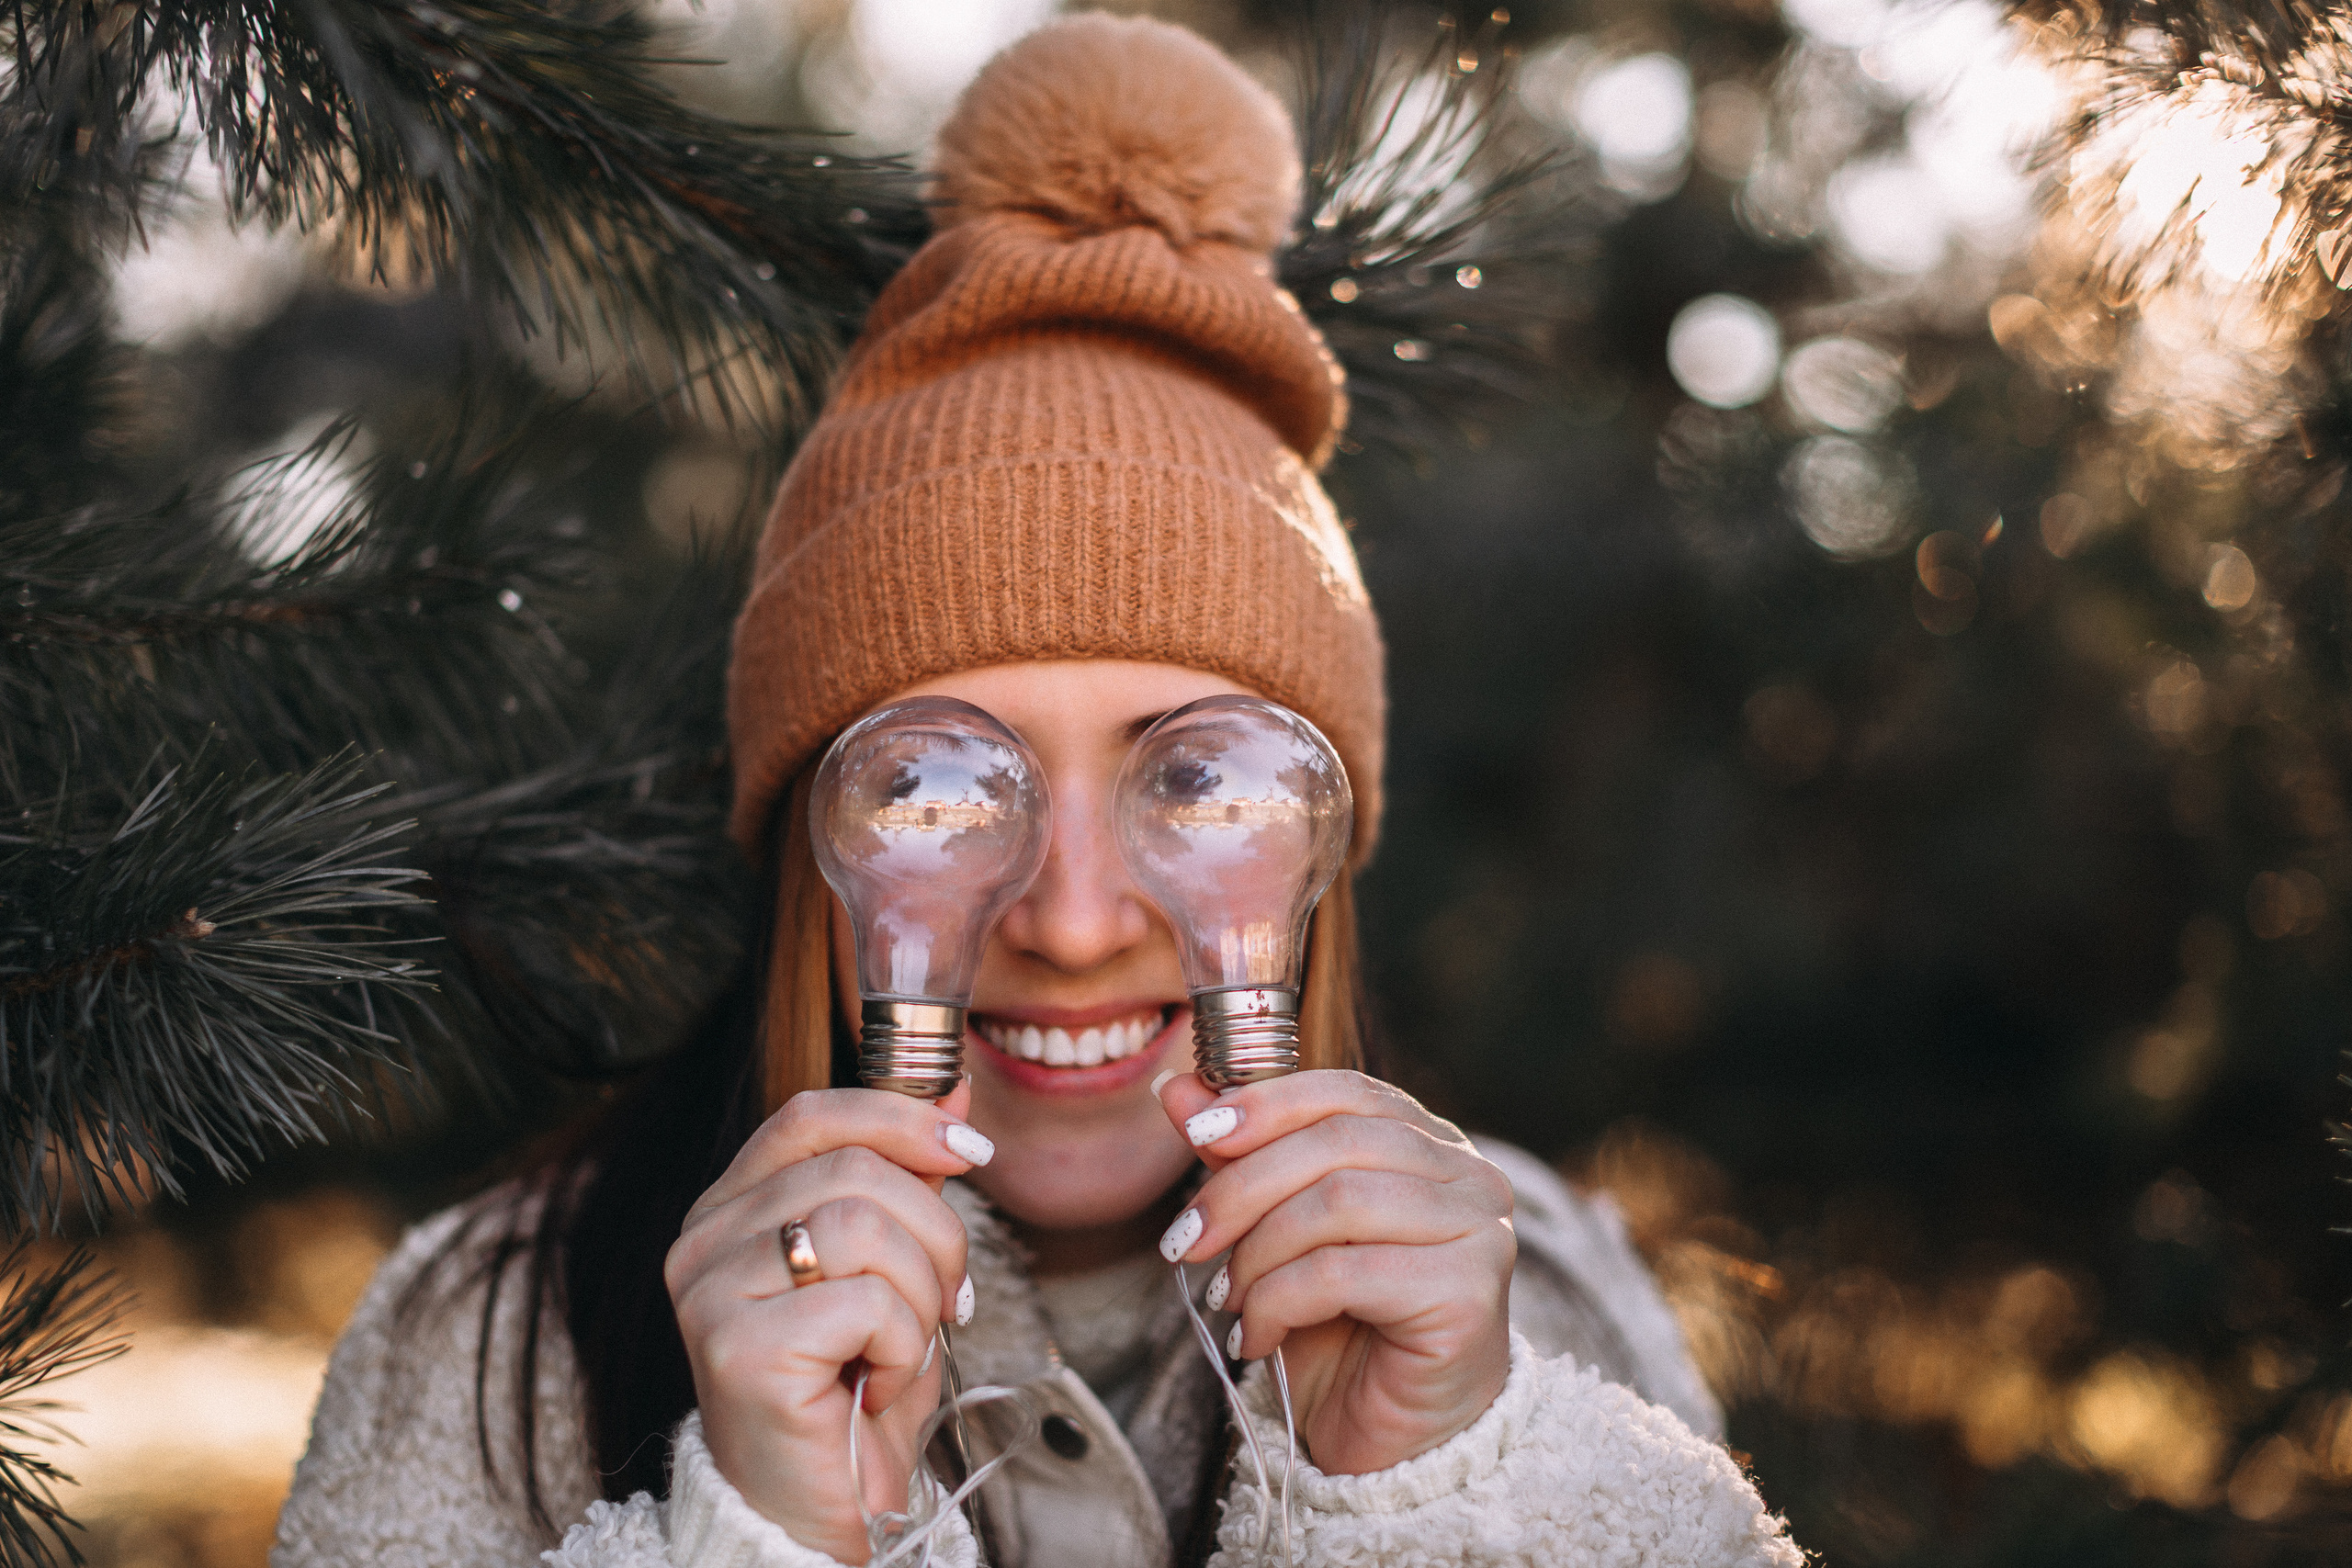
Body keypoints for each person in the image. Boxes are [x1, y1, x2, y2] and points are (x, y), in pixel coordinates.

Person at [272, 15, 1802, 1567]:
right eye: (939, 783)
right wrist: (778, 1536)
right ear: (811, 834)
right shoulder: (490, 1351)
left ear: (1324, 841)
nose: (1072, 922)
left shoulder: (1541, 1303)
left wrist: (1437, 1491)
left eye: (1197, 775)